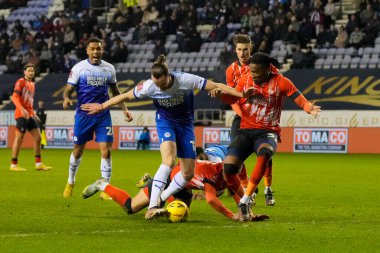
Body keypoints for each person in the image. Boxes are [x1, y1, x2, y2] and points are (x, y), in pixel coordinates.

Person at [80, 54, 253, 219]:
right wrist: (102, 106)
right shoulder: (149, 86)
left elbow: (217, 85)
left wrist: (241, 94)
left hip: (185, 125)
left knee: (187, 173)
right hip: (165, 122)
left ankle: (160, 196)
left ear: (169, 76)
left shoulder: (185, 80)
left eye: (162, 84)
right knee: (169, 160)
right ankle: (153, 206)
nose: (159, 88)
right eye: (156, 84)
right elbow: (125, 95)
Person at [212, 52, 321, 221]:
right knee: (229, 169)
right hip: (245, 131)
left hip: (267, 132)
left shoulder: (281, 82)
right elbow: (232, 98)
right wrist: (220, 94)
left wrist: (308, 108)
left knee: (264, 154)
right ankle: (243, 199)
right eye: (251, 71)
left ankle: (246, 199)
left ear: (268, 69)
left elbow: (300, 99)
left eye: (257, 72)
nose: (253, 74)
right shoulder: (245, 80)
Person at [82, 149, 269, 221]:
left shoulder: (229, 170)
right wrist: (232, 216)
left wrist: (247, 214)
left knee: (179, 216)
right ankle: (103, 184)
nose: (233, 178)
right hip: (169, 182)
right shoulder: (212, 173)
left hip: (185, 189)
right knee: (131, 208)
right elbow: (211, 199)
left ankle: (152, 186)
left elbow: (238, 193)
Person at [62, 37, 133, 199]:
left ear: (102, 50)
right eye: (92, 49)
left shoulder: (109, 69)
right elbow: (68, 90)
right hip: (83, 116)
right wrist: (66, 98)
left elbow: (116, 93)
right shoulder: (79, 68)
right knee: (78, 151)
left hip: (103, 116)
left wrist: (125, 109)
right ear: (87, 50)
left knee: (106, 151)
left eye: (98, 49)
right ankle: (70, 181)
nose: (95, 52)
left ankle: (106, 189)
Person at [226, 34, 275, 206]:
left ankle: (268, 188)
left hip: (261, 116)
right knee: (235, 152)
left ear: (251, 49)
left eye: (245, 49)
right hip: (241, 116)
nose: (242, 53)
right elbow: (232, 96)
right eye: (239, 49)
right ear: (235, 50)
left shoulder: (261, 64)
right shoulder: (231, 70)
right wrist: (240, 113)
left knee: (264, 152)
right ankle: (249, 189)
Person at [9, 63, 52, 172]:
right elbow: (14, 97)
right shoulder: (20, 82)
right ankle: (13, 164)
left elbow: (29, 102)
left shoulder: (32, 84)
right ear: (24, 72)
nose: (31, 72)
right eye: (29, 70)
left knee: (38, 137)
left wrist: (33, 113)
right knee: (19, 139)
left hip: (29, 115)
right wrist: (22, 109)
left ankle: (38, 164)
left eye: (32, 70)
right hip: (21, 115)